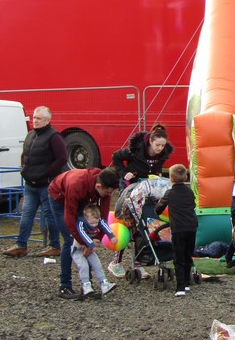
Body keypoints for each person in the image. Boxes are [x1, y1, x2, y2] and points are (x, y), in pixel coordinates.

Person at [108, 124, 173, 277]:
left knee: (143, 223)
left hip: (148, 190)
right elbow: (116, 156)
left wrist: (157, 176)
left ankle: (138, 262)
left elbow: (156, 169)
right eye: (157, 145)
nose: (160, 148)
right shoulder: (135, 150)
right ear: (150, 141)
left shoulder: (163, 154)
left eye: (163, 145)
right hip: (131, 188)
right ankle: (115, 262)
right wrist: (124, 173)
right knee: (128, 223)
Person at [3, 106, 65, 258]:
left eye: (38, 118)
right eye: (34, 117)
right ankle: (21, 245)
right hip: (30, 184)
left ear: (47, 120)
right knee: (26, 214)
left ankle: (55, 246)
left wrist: (45, 173)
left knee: (50, 215)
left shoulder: (54, 136)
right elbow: (25, 154)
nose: (35, 121)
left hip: (46, 185)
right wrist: (24, 168)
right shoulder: (30, 135)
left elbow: (62, 159)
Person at [48, 167, 119, 300]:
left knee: (87, 240)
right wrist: (83, 241)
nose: (109, 195)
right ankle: (65, 285)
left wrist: (95, 239)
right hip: (59, 196)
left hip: (82, 198)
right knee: (70, 240)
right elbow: (69, 219)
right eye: (108, 192)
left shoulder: (104, 188)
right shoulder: (77, 185)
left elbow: (102, 216)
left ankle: (88, 286)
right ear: (99, 186)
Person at [155, 164, 198, 297]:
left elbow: (158, 209)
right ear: (186, 176)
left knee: (178, 257)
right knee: (187, 254)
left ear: (171, 179)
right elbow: (193, 204)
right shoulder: (189, 192)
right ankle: (186, 283)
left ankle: (180, 287)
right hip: (191, 226)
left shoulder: (169, 193)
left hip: (178, 228)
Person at [71, 204, 117, 299]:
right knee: (83, 266)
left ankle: (104, 283)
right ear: (85, 218)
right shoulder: (81, 222)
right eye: (92, 223)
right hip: (78, 249)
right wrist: (91, 245)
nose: (94, 225)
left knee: (97, 264)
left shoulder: (97, 220)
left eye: (96, 223)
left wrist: (111, 236)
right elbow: (82, 234)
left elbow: (104, 224)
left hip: (90, 248)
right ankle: (86, 285)